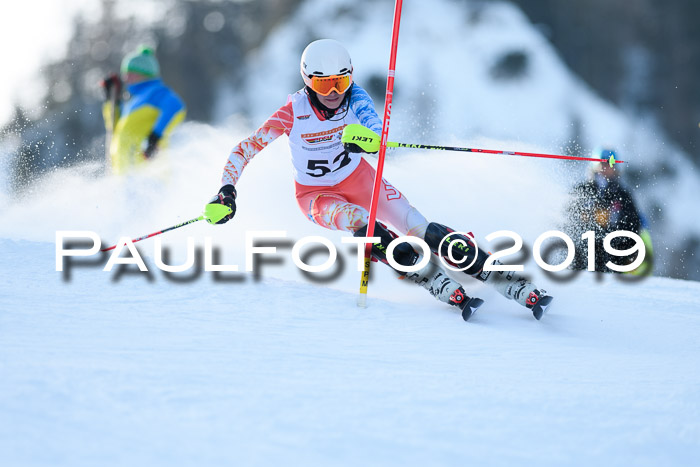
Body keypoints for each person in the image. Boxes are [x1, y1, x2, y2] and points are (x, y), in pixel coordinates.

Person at [206, 39, 553, 320]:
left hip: (361, 179)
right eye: (322, 83)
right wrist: (226, 190)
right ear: (307, 81)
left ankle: (499, 276)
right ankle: (430, 278)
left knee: (424, 229)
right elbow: (244, 149)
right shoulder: (292, 113)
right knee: (367, 229)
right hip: (316, 196)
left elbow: (376, 128)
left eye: (340, 81)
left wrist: (369, 139)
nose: (333, 91)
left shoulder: (356, 97)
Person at [565, 148, 653, 275]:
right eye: (602, 163)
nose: (605, 167)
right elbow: (567, 221)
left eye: (610, 164)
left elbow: (633, 225)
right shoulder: (581, 190)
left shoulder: (623, 195)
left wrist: (625, 252)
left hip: (613, 260)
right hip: (581, 260)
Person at [101, 45, 186, 175]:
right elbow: (114, 127)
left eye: (131, 74)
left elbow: (175, 107)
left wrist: (155, 137)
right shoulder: (134, 101)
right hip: (125, 175)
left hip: (148, 175)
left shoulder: (155, 92)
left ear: (145, 74)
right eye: (125, 74)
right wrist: (112, 99)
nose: (126, 78)